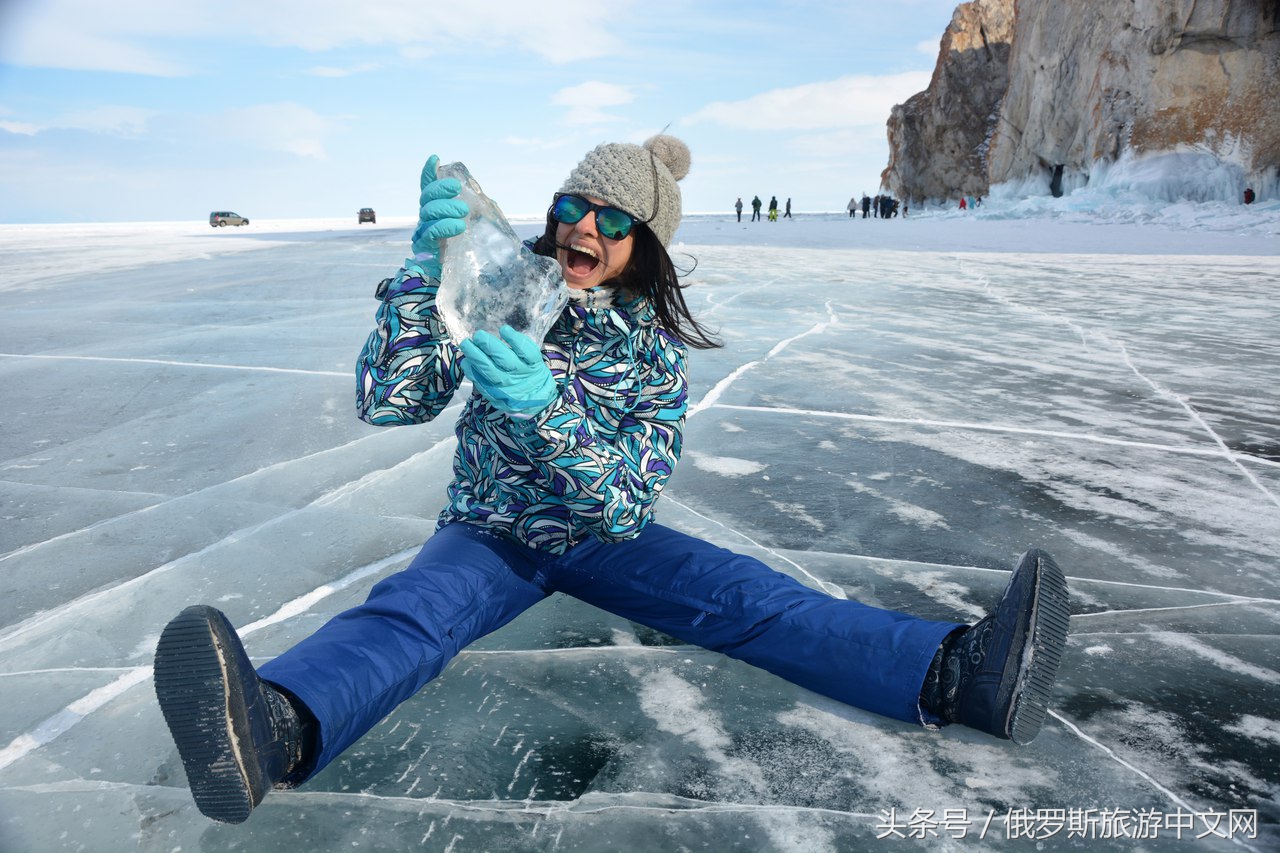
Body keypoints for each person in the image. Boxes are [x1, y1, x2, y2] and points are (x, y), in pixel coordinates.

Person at [153, 134, 1070, 826]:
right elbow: (389, 401)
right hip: (491, 530)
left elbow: (629, 498)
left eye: (614, 217)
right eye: (572, 204)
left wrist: (543, 405)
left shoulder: (656, 362)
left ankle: (958, 674)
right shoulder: (509, 292)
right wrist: (419, 274)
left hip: (605, 538)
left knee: (754, 598)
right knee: (412, 615)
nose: (584, 225)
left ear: (645, 244)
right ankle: (275, 726)